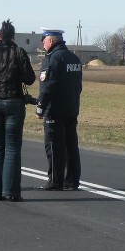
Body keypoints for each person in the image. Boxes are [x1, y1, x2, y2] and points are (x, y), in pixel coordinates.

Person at [0, 19, 36, 202]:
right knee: (12, 148)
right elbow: (30, 79)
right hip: (13, 102)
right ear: (13, 37)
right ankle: (11, 191)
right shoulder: (19, 52)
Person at [35, 28, 82, 191]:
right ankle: (72, 180)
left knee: (54, 146)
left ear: (51, 41)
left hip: (55, 109)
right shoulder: (74, 58)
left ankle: (55, 181)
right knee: (71, 145)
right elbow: (78, 86)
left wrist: (40, 107)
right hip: (71, 108)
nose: (42, 42)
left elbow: (48, 86)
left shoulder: (53, 58)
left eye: (44, 39)